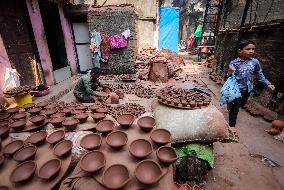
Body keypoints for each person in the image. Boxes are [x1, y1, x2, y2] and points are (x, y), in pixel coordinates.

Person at [227, 39, 275, 134]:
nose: (251, 51)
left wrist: (268, 83)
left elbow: (259, 74)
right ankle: (232, 126)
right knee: (235, 108)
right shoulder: (234, 63)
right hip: (236, 89)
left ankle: (230, 103)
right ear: (240, 51)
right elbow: (228, 77)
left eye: (253, 49)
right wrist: (230, 71)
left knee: (241, 104)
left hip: (247, 89)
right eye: (248, 49)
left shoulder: (255, 62)